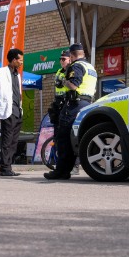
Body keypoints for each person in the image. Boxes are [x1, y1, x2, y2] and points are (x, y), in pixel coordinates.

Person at [45, 42, 97, 180]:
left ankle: (61, 171)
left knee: (63, 137)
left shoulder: (77, 66)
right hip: (87, 103)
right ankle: (68, 168)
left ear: (73, 56)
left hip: (74, 104)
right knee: (75, 136)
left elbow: (73, 84)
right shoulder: (90, 67)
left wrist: (63, 81)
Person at [0, 48, 25, 177]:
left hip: (17, 110)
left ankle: (9, 166)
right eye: (20, 60)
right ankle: (5, 168)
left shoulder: (17, 75)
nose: (21, 63)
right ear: (13, 60)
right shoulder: (2, 72)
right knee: (7, 140)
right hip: (8, 110)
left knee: (14, 141)